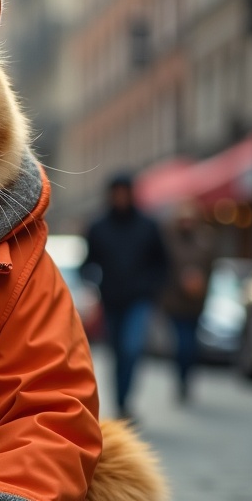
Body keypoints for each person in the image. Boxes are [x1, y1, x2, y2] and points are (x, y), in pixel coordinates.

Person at [82, 173, 168, 421]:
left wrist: (151, 288)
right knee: (117, 353)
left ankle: (125, 400)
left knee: (132, 348)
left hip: (138, 300)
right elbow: (88, 262)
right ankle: (121, 404)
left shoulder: (147, 226)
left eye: (124, 191)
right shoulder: (98, 227)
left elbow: (161, 263)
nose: (120, 197)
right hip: (111, 300)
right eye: (116, 192)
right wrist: (93, 281)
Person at [160, 200, 216, 403]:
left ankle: (187, 379)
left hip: (195, 302)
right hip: (174, 301)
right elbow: (164, 268)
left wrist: (200, 285)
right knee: (181, 343)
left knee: (191, 344)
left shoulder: (205, 239)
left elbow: (211, 269)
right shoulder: (169, 239)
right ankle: (181, 379)